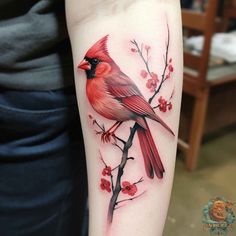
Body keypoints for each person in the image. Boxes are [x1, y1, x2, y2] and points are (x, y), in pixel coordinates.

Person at [0, 0, 183, 236]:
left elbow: (121, 8)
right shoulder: (96, 84)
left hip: (32, 108)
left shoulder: (109, 81)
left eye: (94, 62)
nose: (86, 65)